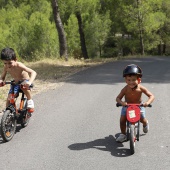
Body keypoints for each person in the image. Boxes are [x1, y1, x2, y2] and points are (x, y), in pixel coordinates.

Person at [116, 64, 155, 142]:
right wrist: (122, 102)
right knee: (122, 120)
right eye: (129, 80)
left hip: (139, 106)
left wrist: (147, 103)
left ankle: (145, 124)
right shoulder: (125, 89)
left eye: (134, 80)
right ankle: (123, 134)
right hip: (127, 106)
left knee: (142, 119)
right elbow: (118, 98)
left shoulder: (141, 88)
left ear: (139, 80)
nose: (131, 82)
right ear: (125, 80)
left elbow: (151, 96)